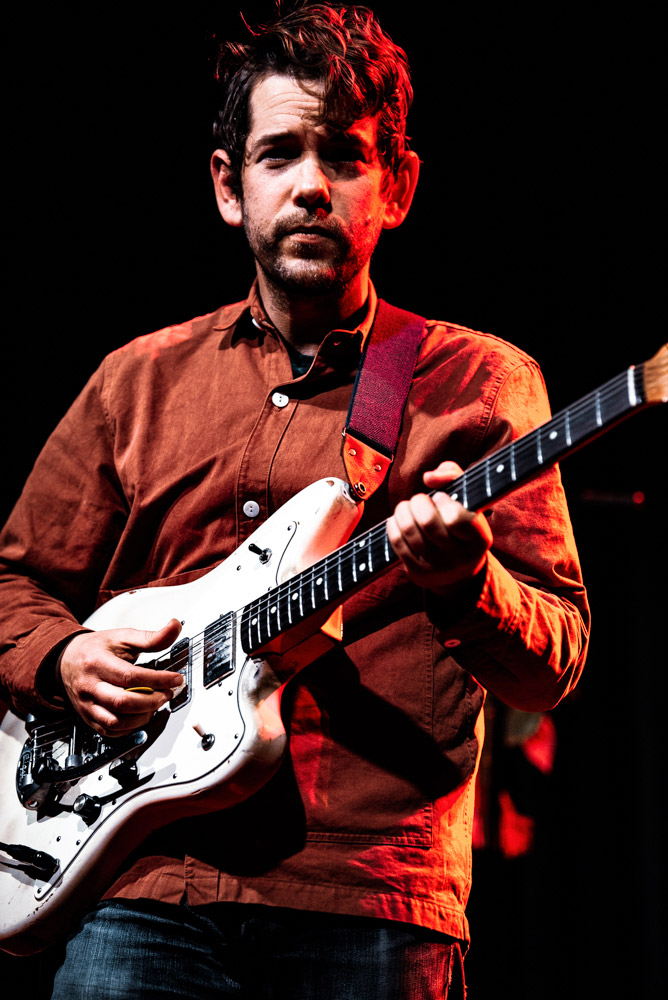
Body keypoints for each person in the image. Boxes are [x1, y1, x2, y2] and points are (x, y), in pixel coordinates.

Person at [0, 3, 589, 997]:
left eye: (344, 157)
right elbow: (13, 583)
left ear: (396, 187)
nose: (311, 184)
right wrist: (61, 659)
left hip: (368, 903)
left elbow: (552, 664)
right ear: (229, 187)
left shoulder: (482, 384)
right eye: (278, 154)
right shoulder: (134, 381)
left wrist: (466, 584)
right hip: (141, 887)